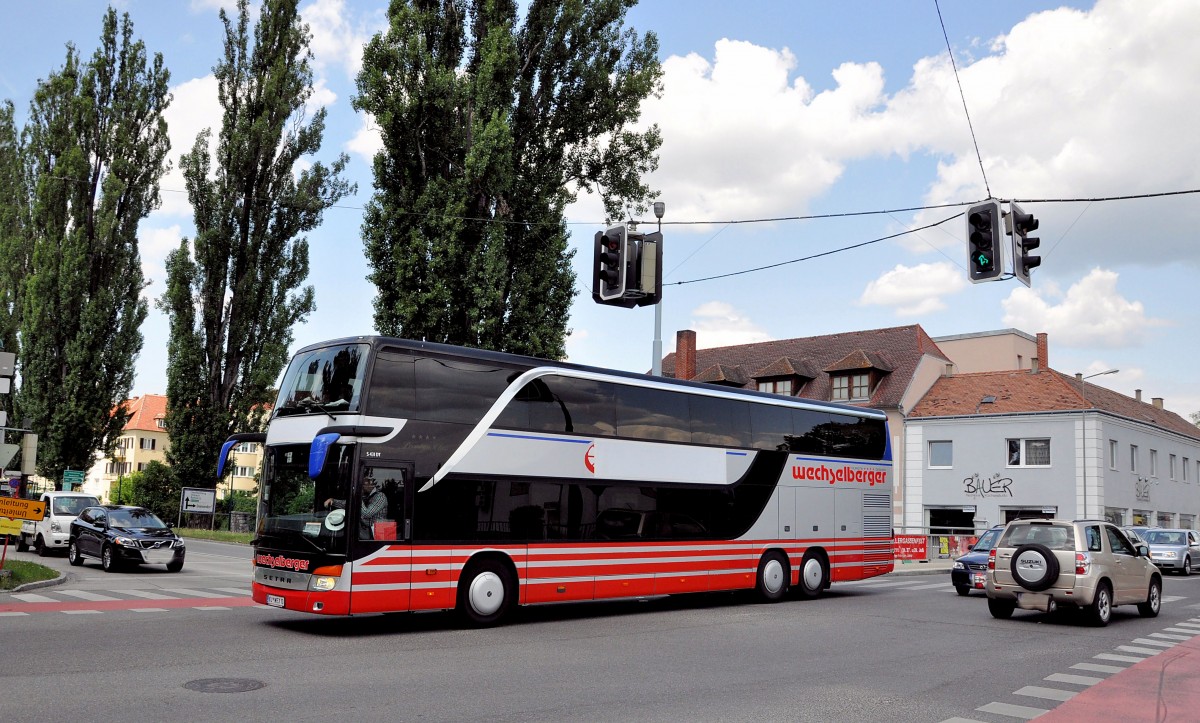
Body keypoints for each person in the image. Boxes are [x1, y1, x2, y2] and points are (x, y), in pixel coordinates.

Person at [324, 475, 389, 539]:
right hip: (366, 531)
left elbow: (367, 514)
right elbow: (350, 504)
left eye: (363, 484)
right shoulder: (366, 496)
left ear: (370, 484)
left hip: (377, 535)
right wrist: (333, 501)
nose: (362, 487)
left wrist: (359, 494)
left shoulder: (380, 497)